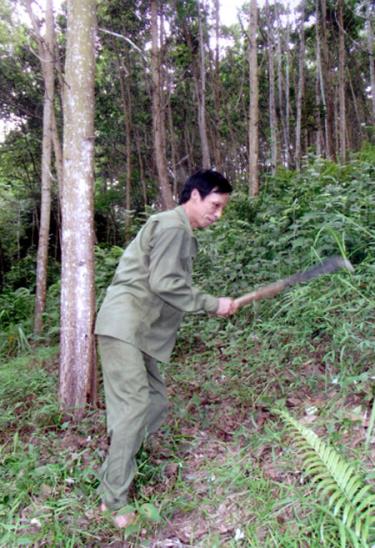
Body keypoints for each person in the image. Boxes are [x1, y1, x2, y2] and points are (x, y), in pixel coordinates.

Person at [95, 169, 237, 527]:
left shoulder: (178, 229)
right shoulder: (173, 227)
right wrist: (210, 303)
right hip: (125, 325)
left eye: (222, 208)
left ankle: (115, 467)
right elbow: (165, 283)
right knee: (134, 407)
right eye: (215, 205)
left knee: (154, 403)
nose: (217, 214)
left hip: (139, 330)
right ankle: (113, 502)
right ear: (194, 197)